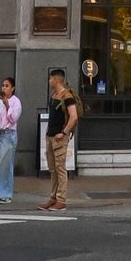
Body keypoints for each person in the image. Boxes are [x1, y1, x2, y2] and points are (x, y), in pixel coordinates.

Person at [42, 67, 78, 213]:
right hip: (50, 136)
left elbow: (74, 116)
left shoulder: (67, 96)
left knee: (60, 168)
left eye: (51, 78)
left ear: (57, 79)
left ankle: (61, 200)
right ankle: (53, 198)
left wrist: (63, 132)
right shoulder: (54, 95)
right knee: (53, 169)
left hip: (59, 138)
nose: (49, 81)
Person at [0, 75, 21, 205]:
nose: (4, 88)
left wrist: (8, 106)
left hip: (8, 134)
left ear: (12, 88)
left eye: (7, 86)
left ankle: (5, 194)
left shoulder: (15, 102)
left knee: (5, 165)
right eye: (3, 85)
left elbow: (13, 118)